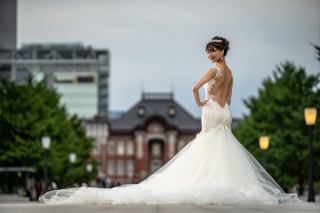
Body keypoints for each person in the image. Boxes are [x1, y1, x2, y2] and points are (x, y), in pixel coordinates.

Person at [40, 36, 307, 205]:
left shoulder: (214, 71)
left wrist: (200, 102)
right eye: (208, 52)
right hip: (225, 112)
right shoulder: (231, 72)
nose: (210, 55)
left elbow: (194, 88)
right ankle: (222, 184)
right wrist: (220, 105)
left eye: (212, 51)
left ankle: (202, 184)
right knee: (223, 151)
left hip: (212, 109)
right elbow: (230, 97)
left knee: (205, 150)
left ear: (222, 52)